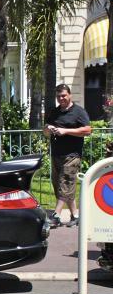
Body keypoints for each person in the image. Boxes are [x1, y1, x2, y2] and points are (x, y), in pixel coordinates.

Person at [44, 83, 91, 228]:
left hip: (72, 155)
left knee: (65, 184)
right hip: (56, 154)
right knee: (61, 184)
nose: (61, 98)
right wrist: (48, 129)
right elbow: (45, 132)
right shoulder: (54, 112)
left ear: (69, 95)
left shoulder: (78, 111)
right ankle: (75, 215)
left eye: (63, 95)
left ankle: (56, 216)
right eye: (58, 96)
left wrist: (66, 131)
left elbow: (88, 130)